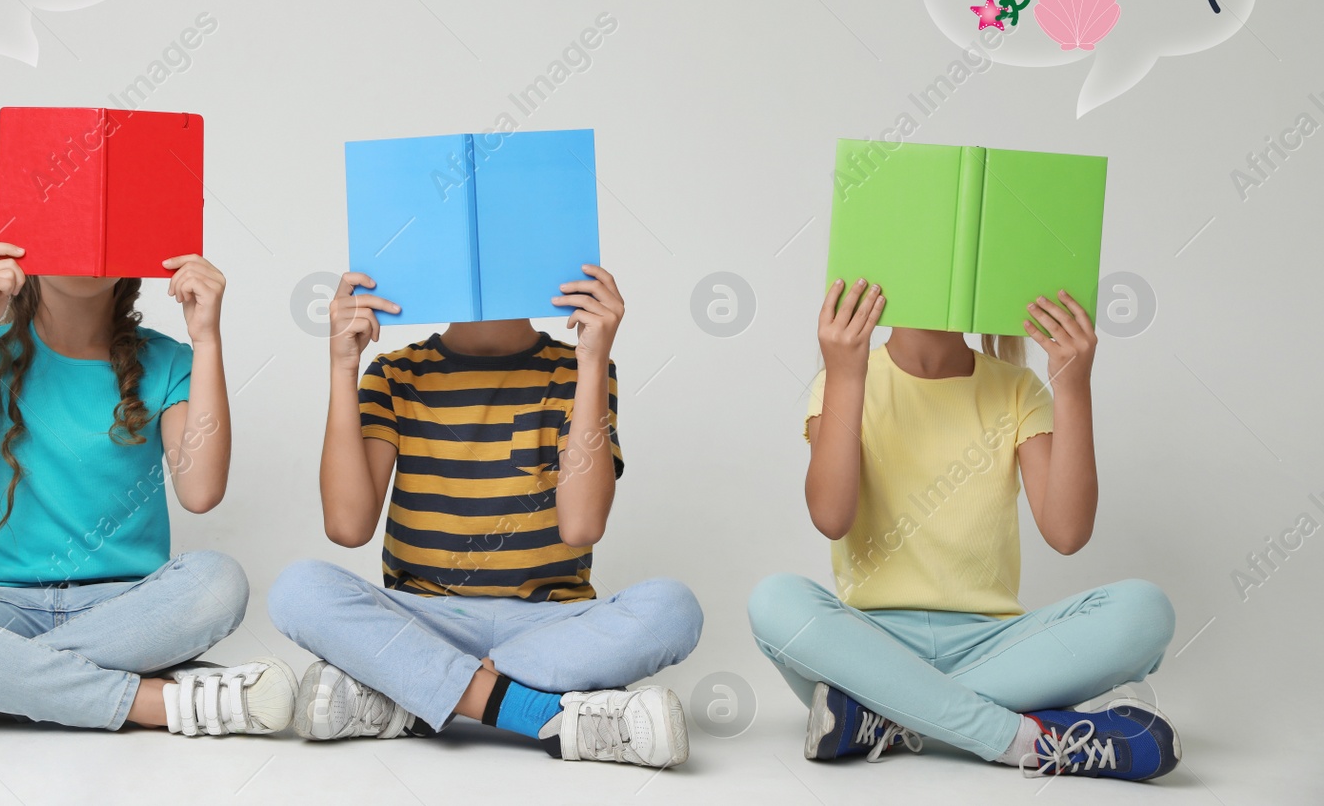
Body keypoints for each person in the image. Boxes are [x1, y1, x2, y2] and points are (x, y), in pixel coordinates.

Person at [0, 242, 293, 737]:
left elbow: (200, 492)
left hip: (125, 612)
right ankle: (151, 702)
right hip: (2, 610)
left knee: (218, 581)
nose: (87, 245)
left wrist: (207, 341)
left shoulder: (168, 360)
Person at [268, 265, 703, 767]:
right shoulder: (393, 375)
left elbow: (581, 526)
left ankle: (410, 696)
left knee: (674, 607)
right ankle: (531, 708)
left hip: (550, 625)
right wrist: (343, 367)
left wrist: (593, 360)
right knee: (299, 589)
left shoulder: (580, 371)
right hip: (428, 619)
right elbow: (347, 527)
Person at [748, 278, 1180, 780]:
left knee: (1145, 611)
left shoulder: (1018, 388)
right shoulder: (844, 381)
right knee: (774, 600)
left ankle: (886, 718)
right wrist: (845, 375)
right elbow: (831, 517)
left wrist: (1072, 384)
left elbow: (1067, 532)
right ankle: (1021, 740)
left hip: (994, 646)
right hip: (869, 646)